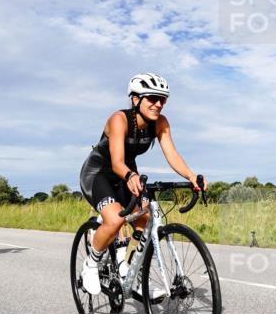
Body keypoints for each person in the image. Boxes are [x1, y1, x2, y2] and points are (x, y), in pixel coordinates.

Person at [78, 73, 205, 295]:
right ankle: (90, 264)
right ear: (136, 99)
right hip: (99, 173)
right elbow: (117, 162)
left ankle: (129, 269)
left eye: (163, 100)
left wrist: (191, 176)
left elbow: (172, 155)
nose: (158, 104)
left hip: (127, 174)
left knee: (145, 219)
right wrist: (129, 177)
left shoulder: (160, 123)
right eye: (152, 98)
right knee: (115, 219)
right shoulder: (119, 119)